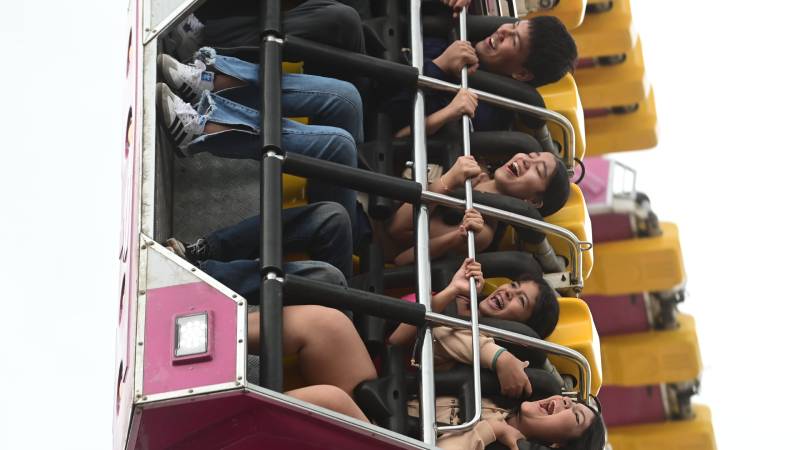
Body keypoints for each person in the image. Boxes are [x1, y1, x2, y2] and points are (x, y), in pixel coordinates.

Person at [157, 49, 365, 239]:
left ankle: (201, 131)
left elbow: (395, 238)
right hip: (365, 195)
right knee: (347, 99)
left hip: (359, 235)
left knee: (341, 146)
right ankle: (213, 83)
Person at [389, 257, 559, 399]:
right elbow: (399, 258)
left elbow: (394, 341)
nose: (509, 292)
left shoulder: (469, 343)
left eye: (521, 300)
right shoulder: (464, 294)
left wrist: (501, 358)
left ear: (520, 327)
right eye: (514, 285)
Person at [391, 14, 578, 137]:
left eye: (514, 40)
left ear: (521, 73)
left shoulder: (482, 113)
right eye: (514, 25)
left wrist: (440, 67)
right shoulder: (464, 24)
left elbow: (392, 112)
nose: (503, 31)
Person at [382, 152, 570, 266]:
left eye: (538, 170)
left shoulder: (482, 232)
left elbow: (396, 229)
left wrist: (449, 180)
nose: (526, 161)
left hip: (371, 224)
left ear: (533, 202)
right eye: (531, 155)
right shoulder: (478, 166)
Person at [408, 394, 606, 450]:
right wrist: (498, 357)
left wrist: (493, 430)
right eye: (570, 401)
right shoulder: (495, 392)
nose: (565, 401)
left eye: (575, 414)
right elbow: (441, 334)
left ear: (558, 445)